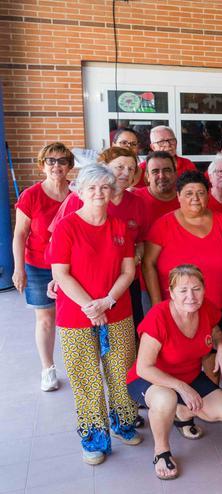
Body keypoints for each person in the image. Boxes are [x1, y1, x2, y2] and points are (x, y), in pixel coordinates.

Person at [47, 164, 141, 464]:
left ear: (113, 191)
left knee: (121, 372)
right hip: (76, 316)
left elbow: (128, 270)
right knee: (85, 378)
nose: (99, 193)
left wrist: (107, 302)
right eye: (92, 187)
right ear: (80, 191)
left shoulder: (119, 227)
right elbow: (60, 274)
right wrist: (91, 306)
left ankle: (123, 424)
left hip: (117, 311)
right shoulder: (66, 227)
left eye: (105, 187)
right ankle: (94, 438)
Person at [126, 265, 222, 480]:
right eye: (183, 290)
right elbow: (144, 367)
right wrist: (182, 388)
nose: (191, 296)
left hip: (189, 375)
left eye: (196, 289)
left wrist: (221, 346)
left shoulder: (205, 309)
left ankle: (182, 415)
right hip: (150, 378)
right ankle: (161, 451)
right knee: (167, 398)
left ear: (204, 289)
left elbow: (214, 329)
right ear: (172, 292)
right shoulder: (159, 316)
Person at [52, 147, 150, 327]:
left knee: (130, 341)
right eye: (120, 166)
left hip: (121, 286)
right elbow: (58, 252)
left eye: (131, 168)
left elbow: (141, 241)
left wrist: (130, 260)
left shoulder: (137, 203)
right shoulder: (77, 200)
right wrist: (57, 278)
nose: (125, 172)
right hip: (80, 292)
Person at [143, 171, 222, 333]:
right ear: (178, 196)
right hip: (178, 308)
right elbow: (148, 264)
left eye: (201, 193)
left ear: (208, 196)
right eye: (189, 193)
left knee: (218, 353)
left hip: (221, 306)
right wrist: (156, 303)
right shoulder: (163, 225)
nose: (195, 198)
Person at [13, 142, 72, 391]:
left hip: (71, 266)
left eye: (61, 160)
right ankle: (48, 369)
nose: (56, 165)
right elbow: (19, 234)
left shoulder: (78, 193)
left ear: (69, 165)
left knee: (74, 318)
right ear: (42, 165)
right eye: (51, 160)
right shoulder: (31, 195)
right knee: (46, 318)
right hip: (38, 264)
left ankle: (82, 366)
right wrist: (19, 268)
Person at [133, 151, 180, 227]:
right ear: (147, 176)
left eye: (167, 170)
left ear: (175, 174)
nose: (161, 176)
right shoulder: (135, 199)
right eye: (155, 172)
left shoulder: (186, 199)